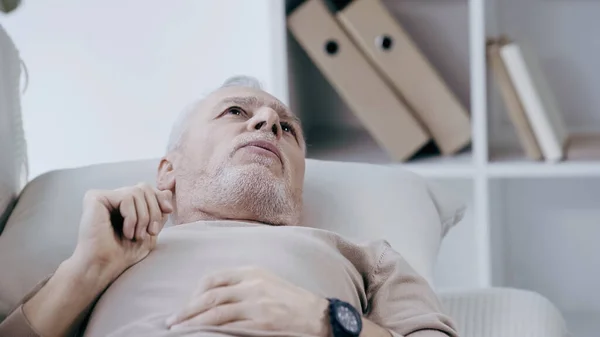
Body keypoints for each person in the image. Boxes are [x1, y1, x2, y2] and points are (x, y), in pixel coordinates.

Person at [0, 76, 459, 337]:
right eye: (236, 112)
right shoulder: (115, 251)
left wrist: (325, 321)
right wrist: (88, 269)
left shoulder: (368, 258)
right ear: (168, 171)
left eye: (288, 129)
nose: (268, 122)